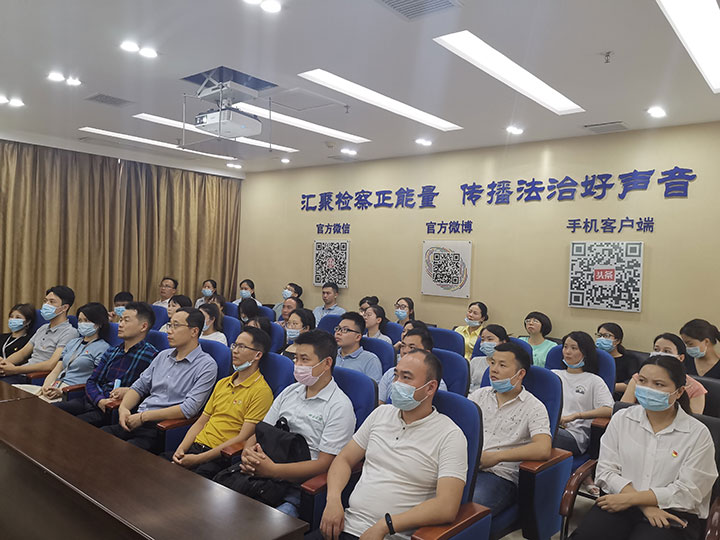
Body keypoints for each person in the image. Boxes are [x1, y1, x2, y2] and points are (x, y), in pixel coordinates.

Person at [315, 349, 467, 540]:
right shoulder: (381, 413)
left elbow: (446, 506)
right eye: (396, 375)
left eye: (406, 377)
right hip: (346, 525)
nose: (396, 383)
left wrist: (385, 526)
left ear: (430, 388)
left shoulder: (450, 435)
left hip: (392, 535)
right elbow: (344, 459)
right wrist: (333, 500)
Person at [571, 355, 718, 540]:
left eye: (658, 384)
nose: (648, 389)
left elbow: (690, 492)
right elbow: (606, 471)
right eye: (642, 381)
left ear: (679, 391)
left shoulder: (697, 433)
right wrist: (644, 505)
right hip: (619, 499)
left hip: (672, 510)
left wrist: (633, 500)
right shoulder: (622, 419)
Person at [232, 329, 356, 517]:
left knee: (264, 524)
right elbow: (261, 431)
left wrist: (273, 471)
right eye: (296, 359)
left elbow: (324, 464)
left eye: (304, 360)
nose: (297, 365)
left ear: (326, 363)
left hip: (297, 485)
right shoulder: (290, 391)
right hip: (263, 472)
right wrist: (248, 454)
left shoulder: (340, 406)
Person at [101, 307, 218, 453]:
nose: (169, 331)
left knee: (121, 452)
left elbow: (188, 409)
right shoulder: (163, 355)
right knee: (98, 439)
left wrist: (144, 417)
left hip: (161, 428)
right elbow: (139, 387)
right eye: (169, 325)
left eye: (176, 326)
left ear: (194, 331)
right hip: (137, 418)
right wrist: (124, 408)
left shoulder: (206, 365)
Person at [168, 327, 274, 479]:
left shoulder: (261, 392)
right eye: (235, 345)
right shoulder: (223, 383)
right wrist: (181, 450)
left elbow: (243, 437)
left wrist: (198, 459)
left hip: (220, 457)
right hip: (196, 448)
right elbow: (201, 421)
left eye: (242, 347)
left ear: (257, 355)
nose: (235, 351)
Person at [468, 342, 552, 515]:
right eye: (492, 363)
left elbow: (543, 448)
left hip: (499, 475)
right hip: (465, 465)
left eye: (502, 365)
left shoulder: (534, 407)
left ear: (520, 373)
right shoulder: (478, 395)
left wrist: (497, 457)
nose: (493, 369)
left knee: (467, 510)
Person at [54, 302, 158, 426]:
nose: (120, 324)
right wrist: (99, 400)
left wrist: (126, 393)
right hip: (94, 400)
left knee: (71, 425)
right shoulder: (112, 351)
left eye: (126, 320)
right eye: (120, 319)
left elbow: (149, 392)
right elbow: (92, 381)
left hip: (113, 409)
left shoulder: (151, 356)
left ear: (143, 326)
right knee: (52, 410)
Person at [21, 303, 111, 402]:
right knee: (19, 395)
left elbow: (95, 381)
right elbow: (56, 370)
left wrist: (62, 391)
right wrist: (46, 387)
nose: (82, 324)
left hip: (73, 391)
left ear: (99, 323)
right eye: (80, 320)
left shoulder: (103, 348)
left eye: (86, 321)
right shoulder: (73, 342)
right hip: (55, 386)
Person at [552, 331, 613, 459]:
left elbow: (609, 409)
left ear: (585, 353)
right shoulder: (553, 375)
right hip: (547, 424)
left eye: (574, 348)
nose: (567, 352)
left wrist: (576, 415)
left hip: (573, 434)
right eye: (565, 347)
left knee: (540, 434)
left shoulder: (594, 380)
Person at [0, 286, 79, 384]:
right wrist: (4, 364)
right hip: (22, 373)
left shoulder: (70, 332)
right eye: (45, 301)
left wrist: (15, 370)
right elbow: (22, 354)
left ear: (64, 307)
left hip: (37, 377)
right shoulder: (43, 328)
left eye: (52, 302)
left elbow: (51, 364)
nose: (46, 305)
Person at [622, 334, 707, 415]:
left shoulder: (696, 389)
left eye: (666, 351)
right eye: (656, 350)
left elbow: (692, 420)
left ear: (680, 358)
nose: (660, 354)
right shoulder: (638, 378)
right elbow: (624, 407)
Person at [378, 328, 447, 404]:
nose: (405, 351)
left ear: (426, 353)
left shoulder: (436, 384)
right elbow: (380, 403)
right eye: (403, 346)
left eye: (412, 348)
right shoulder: (391, 373)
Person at [335, 312, 382, 383]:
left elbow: (372, 388)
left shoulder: (371, 360)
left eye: (345, 330)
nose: (338, 333)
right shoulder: (330, 354)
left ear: (358, 337)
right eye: (338, 328)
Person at [596, 322, 639, 396]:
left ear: (617, 341)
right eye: (600, 335)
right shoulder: (594, 357)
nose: (602, 339)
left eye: (606, 336)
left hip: (616, 396)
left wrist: (607, 386)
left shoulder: (629, 359)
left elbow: (633, 383)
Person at [468, 324, 510, 393]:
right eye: (482, 340)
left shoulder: (509, 365)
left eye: (490, 339)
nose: (485, 343)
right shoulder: (475, 361)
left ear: (503, 342)